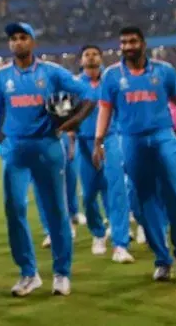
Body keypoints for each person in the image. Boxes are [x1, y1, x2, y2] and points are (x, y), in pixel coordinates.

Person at [0, 22, 93, 298]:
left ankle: (61, 273)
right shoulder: (0, 76)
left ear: (32, 42)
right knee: (14, 209)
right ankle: (28, 273)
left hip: (47, 147)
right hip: (14, 149)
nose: (17, 42)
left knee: (56, 211)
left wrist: (73, 122)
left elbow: (90, 95)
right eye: (13, 39)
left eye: (23, 37)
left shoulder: (52, 72)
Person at [94, 26, 176, 282]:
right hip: (130, 141)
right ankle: (162, 259)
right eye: (123, 43)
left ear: (143, 43)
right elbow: (105, 111)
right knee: (142, 203)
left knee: (175, 196)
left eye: (132, 41)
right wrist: (98, 141)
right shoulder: (111, 75)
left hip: (163, 136)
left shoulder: (164, 71)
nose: (128, 46)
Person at [74, 45, 134, 263]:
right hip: (84, 142)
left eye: (95, 54)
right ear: (81, 61)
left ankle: (120, 244)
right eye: (87, 54)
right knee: (88, 194)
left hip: (111, 137)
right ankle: (98, 233)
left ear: (101, 58)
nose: (91, 57)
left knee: (116, 189)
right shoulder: (74, 84)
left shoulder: (112, 80)